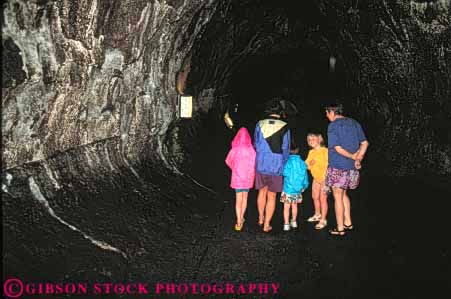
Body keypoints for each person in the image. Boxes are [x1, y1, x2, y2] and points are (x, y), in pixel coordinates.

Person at [325, 103, 369, 236]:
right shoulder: (354, 123)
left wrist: (353, 156)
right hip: (351, 168)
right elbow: (365, 143)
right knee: (344, 194)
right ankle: (348, 223)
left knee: (337, 196)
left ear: (331, 112)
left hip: (338, 166)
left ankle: (340, 229)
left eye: (327, 113)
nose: (327, 116)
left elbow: (337, 148)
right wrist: (358, 158)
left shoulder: (333, 125)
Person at [254, 100, 291, 233]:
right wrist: (283, 163)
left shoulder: (259, 124)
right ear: (280, 111)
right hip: (276, 165)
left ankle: (260, 218)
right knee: (272, 196)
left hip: (261, 163)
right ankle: (267, 224)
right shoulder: (285, 126)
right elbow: (286, 148)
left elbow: (256, 144)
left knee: (261, 192)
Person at [225, 127, 256, 231]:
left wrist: (234, 168)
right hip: (247, 179)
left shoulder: (235, 149)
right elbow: (255, 164)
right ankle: (242, 217)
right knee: (245, 199)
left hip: (237, 178)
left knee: (238, 200)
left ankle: (238, 221)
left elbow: (227, 161)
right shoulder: (252, 150)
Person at [281, 142, 309, 231]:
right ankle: (294, 221)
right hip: (298, 190)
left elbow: (284, 173)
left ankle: (286, 224)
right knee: (295, 206)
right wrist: (304, 185)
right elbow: (305, 176)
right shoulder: (302, 163)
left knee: (286, 207)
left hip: (287, 189)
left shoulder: (287, 162)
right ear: (298, 151)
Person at [305, 133, 329, 230]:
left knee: (323, 199)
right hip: (316, 178)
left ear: (319, 139)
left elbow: (329, 164)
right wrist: (310, 164)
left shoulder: (325, 151)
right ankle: (317, 214)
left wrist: (326, 179)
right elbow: (307, 166)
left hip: (325, 179)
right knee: (315, 197)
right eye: (309, 140)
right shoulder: (311, 152)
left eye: (313, 139)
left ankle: (323, 219)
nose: (311, 141)